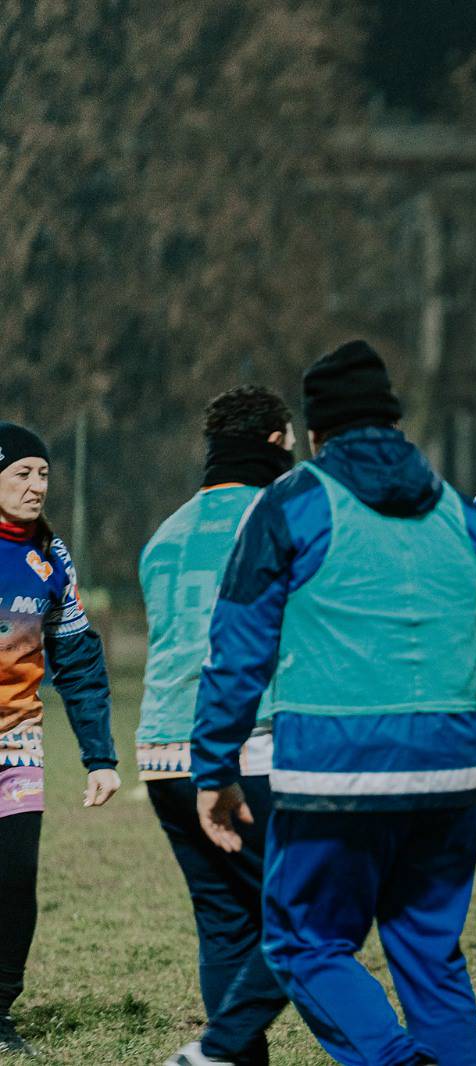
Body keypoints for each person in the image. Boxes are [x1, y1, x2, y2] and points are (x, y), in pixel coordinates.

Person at [190, 341, 476, 1066]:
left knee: (301, 943)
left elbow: (237, 651)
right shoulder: (462, 514)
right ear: (395, 422)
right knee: (431, 955)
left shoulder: (291, 503)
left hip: (336, 769)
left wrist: (214, 767)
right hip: (451, 774)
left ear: (315, 434)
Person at [141, 387, 296, 1066]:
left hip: (161, 752)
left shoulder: (164, 534)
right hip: (243, 749)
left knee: (225, 925)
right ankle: (218, 1048)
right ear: (275, 441)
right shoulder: (280, 519)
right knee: (307, 916)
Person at [0, 422, 119, 1057]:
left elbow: (76, 657)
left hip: (15, 741)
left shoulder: (51, 557)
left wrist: (99, 756)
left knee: (16, 877)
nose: (36, 485)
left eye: (43, 474)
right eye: (22, 473)